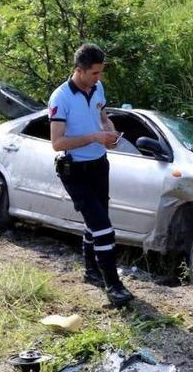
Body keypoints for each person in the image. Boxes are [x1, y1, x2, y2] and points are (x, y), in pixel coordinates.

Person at [48, 43, 134, 307]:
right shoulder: (60, 98)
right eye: (95, 73)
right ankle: (114, 285)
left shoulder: (97, 88)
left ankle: (91, 271)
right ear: (79, 70)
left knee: (95, 223)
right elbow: (57, 143)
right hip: (74, 170)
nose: (99, 78)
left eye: (101, 72)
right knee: (104, 228)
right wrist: (94, 137)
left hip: (99, 164)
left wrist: (110, 132)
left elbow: (102, 115)